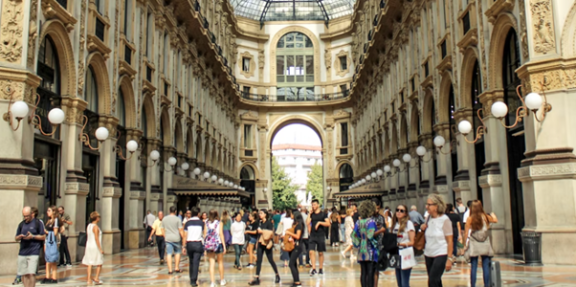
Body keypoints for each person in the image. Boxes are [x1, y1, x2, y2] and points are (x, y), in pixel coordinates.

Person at [463, 200, 498, 287]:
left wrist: (464, 244)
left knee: (473, 265)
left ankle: (473, 285)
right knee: (485, 265)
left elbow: (466, 232)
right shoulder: (485, 217)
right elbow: (495, 220)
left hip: (474, 242)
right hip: (485, 241)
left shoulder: (470, 218)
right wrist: (493, 214)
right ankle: (486, 284)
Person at [421, 194, 454, 287]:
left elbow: (450, 241)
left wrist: (449, 259)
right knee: (436, 281)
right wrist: (422, 228)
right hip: (428, 253)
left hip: (441, 253)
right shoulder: (428, 218)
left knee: (432, 281)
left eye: (429, 204)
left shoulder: (445, 220)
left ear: (436, 206)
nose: (426, 207)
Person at [15, 206, 46, 287]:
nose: (25, 218)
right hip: (22, 252)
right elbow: (16, 237)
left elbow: (43, 236)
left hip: (33, 252)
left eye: (27, 216)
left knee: (31, 273)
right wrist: (19, 237)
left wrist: (32, 236)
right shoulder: (21, 224)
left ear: (32, 214)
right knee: (24, 274)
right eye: (24, 216)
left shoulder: (38, 223)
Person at [248, 209, 280, 286]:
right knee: (259, 260)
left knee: (270, 260)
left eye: (261, 213)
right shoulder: (259, 222)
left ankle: (277, 274)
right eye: (259, 213)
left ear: (265, 214)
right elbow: (257, 232)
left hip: (267, 243)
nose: (260, 215)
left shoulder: (269, 223)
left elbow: (270, 233)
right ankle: (257, 277)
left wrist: (262, 231)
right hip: (260, 242)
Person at [352, 200, 379, 287]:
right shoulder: (371, 222)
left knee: (363, 272)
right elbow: (371, 235)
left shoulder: (358, 222)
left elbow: (354, 235)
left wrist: (358, 243)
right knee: (370, 272)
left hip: (361, 249)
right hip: (370, 249)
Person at [392, 204, 416, 287]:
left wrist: (400, 244)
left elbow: (412, 242)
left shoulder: (408, 223)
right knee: (399, 281)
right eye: (397, 210)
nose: (399, 212)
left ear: (405, 213)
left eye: (401, 211)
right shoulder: (395, 224)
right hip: (396, 253)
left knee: (404, 282)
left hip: (406, 252)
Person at [307, 199, 330, 276]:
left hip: (320, 235)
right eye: (312, 205)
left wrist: (320, 223)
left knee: (320, 252)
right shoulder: (311, 214)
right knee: (311, 251)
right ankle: (313, 268)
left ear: (318, 205)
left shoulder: (323, 214)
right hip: (313, 235)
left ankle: (320, 268)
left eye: (314, 205)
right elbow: (307, 223)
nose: (313, 206)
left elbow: (328, 223)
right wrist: (309, 214)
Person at [204, 209, 227, 287]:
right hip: (218, 243)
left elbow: (205, 235)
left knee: (211, 263)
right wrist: (224, 246)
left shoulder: (206, 223)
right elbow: (221, 234)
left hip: (209, 245)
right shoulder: (219, 223)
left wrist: (204, 246)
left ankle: (212, 282)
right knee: (220, 262)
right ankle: (222, 280)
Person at [184, 207, 204, 287]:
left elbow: (185, 236)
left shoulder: (187, 223)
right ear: (198, 214)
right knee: (196, 262)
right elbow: (204, 234)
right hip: (198, 243)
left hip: (189, 244)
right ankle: (193, 280)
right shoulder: (201, 223)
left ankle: (191, 277)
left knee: (191, 261)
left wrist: (183, 246)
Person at [82, 211, 104, 285]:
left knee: (90, 263)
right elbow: (96, 238)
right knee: (99, 262)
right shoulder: (95, 227)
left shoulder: (89, 226)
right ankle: (96, 278)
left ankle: (88, 279)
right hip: (95, 246)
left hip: (89, 245)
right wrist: (100, 249)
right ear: (97, 218)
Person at [162, 206, 185, 274]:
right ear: (175, 211)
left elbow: (162, 229)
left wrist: (165, 236)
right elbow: (180, 230)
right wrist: (183, 237)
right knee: (177, 253)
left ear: (169, 211)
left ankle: (170, 270)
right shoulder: (178, 219)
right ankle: (176, 268)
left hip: (168, 238)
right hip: (176, 238)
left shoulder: (164, 219)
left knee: (169, 253)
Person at [285, 211, 304, 287]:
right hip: (292, 245)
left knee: (291, 264)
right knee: (294, 264)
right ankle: (296, 280)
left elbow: (298, 236)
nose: (291, 215)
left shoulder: (299, 225)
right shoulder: (294, 224)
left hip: (297, 246)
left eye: (292, 214)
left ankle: (297, 282)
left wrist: (289, 233)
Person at [42, 206, 60, 284]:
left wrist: (47, 232)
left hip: (52, 242)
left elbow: (55, 233)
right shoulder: (48, 221)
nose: (47, 212)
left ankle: (54, 277)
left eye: (49, 210)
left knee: (52, 260)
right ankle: (47, 276)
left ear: (53, 212)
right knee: (47, 260)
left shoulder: (55, 220)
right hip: (47, 241)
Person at [371, 198, 386, 285]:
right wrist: (380, 231)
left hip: (379, 247)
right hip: (370, 247)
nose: (376, 210)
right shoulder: (368, 218)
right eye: (375, 208)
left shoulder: (381, 218)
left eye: (378, 208)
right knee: (370, 271)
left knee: (376, 270)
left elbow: (384, 230)